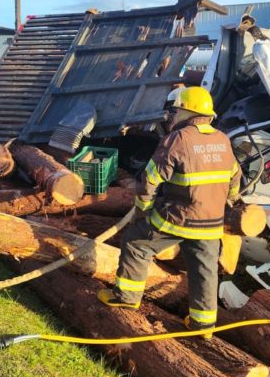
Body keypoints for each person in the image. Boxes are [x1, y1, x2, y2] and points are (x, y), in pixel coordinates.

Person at [97, 86, 241, 335]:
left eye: (176, 110)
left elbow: (150, 180)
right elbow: (235, 180)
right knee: (204, 270)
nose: (173, 116)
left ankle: (127, 298)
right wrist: (228, 202)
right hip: (211, 222)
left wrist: (143, 209)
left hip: (179, 218)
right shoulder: (223, 140)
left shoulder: (179, 139)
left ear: (187, 111)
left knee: (136, 243)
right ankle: (203, 325)